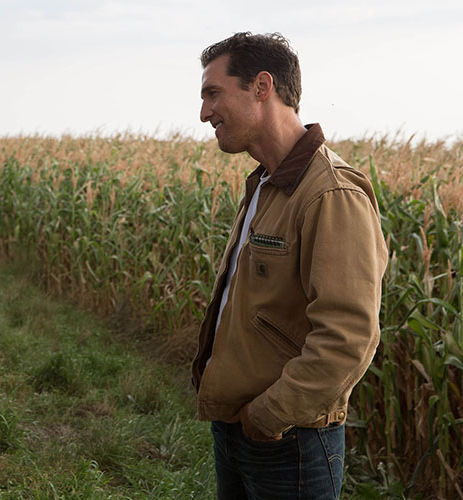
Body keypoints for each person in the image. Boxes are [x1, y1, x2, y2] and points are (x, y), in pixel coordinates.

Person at [190, 32, 388, 499]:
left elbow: (348, 335)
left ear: (262, 87)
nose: (204, 113)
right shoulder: (266, 184)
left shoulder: (330, 193)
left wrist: (268, 415)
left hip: (289, 442)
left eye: (213, 93)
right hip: (238, 430)